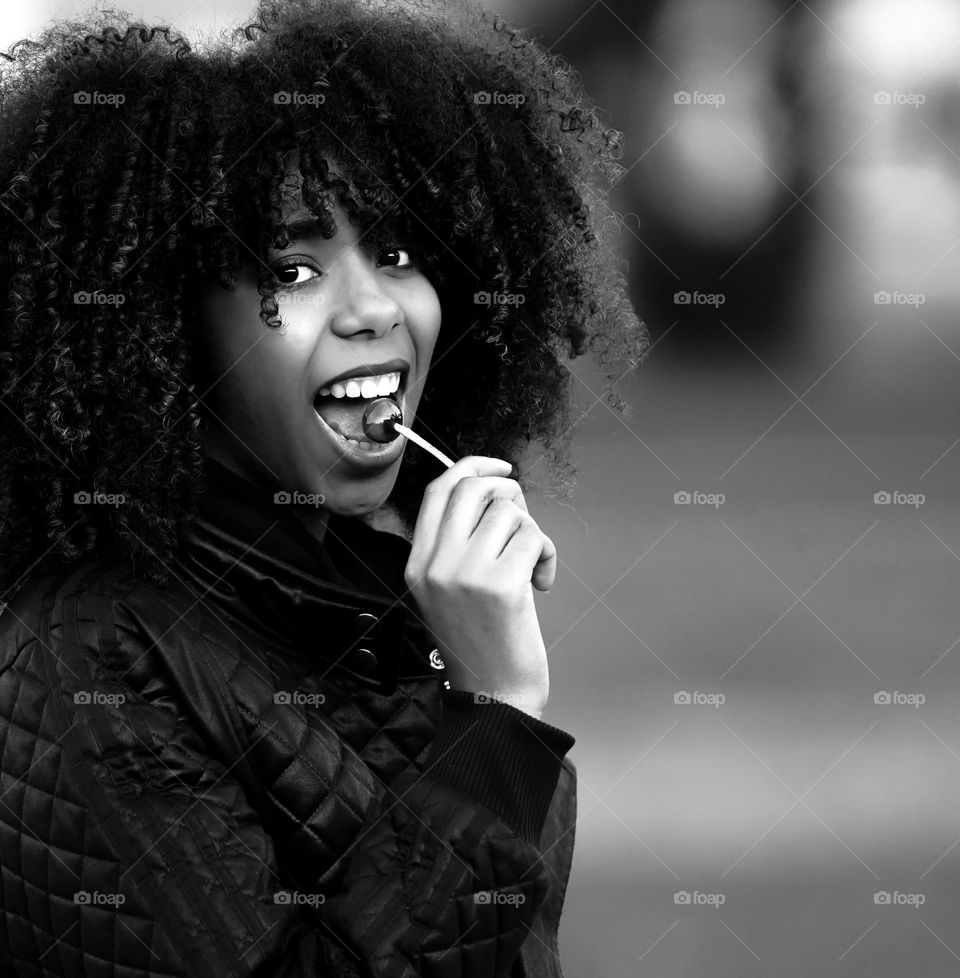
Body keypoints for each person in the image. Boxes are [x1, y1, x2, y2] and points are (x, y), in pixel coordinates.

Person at [0, 0, 649, 974]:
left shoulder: (396, 605)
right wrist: (497, 715)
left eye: (395, 253)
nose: (372, 307)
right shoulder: (85, 655)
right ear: (165, 336)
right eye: (293, 269)